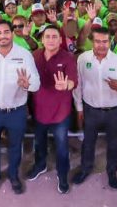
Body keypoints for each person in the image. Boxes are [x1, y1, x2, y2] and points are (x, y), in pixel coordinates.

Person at [0, 20, 39, 194]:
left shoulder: (25, 54)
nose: (3, 36)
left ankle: (13, 176)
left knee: (15, 146)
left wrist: (27, 84)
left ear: (12, 33)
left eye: (6, 32)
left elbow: (36, 84)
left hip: (16, 111)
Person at [72, 27, 117, 190]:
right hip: (90, 110)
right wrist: (79, 108)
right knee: (88, 142)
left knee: (113, 144)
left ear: (110, 41)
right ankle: (85, 169)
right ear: (92, 41)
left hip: (114, 111)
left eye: (105, 41)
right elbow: (78, 85)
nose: (101, 45)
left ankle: (112, 172)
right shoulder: (83, 59)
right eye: (98, 41)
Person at [27, 24, 77, 194]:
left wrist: (66, 85)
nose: (50, 39)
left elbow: (73, 81)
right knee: (39, 142)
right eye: (47, 36)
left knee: (62, 146)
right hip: (39, 110)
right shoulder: (34, 56)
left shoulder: (68, 58)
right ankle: (40, 165)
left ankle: (62, 175)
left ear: (60, 39)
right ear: (42, 39)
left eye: (54, 36)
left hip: (60, 112)